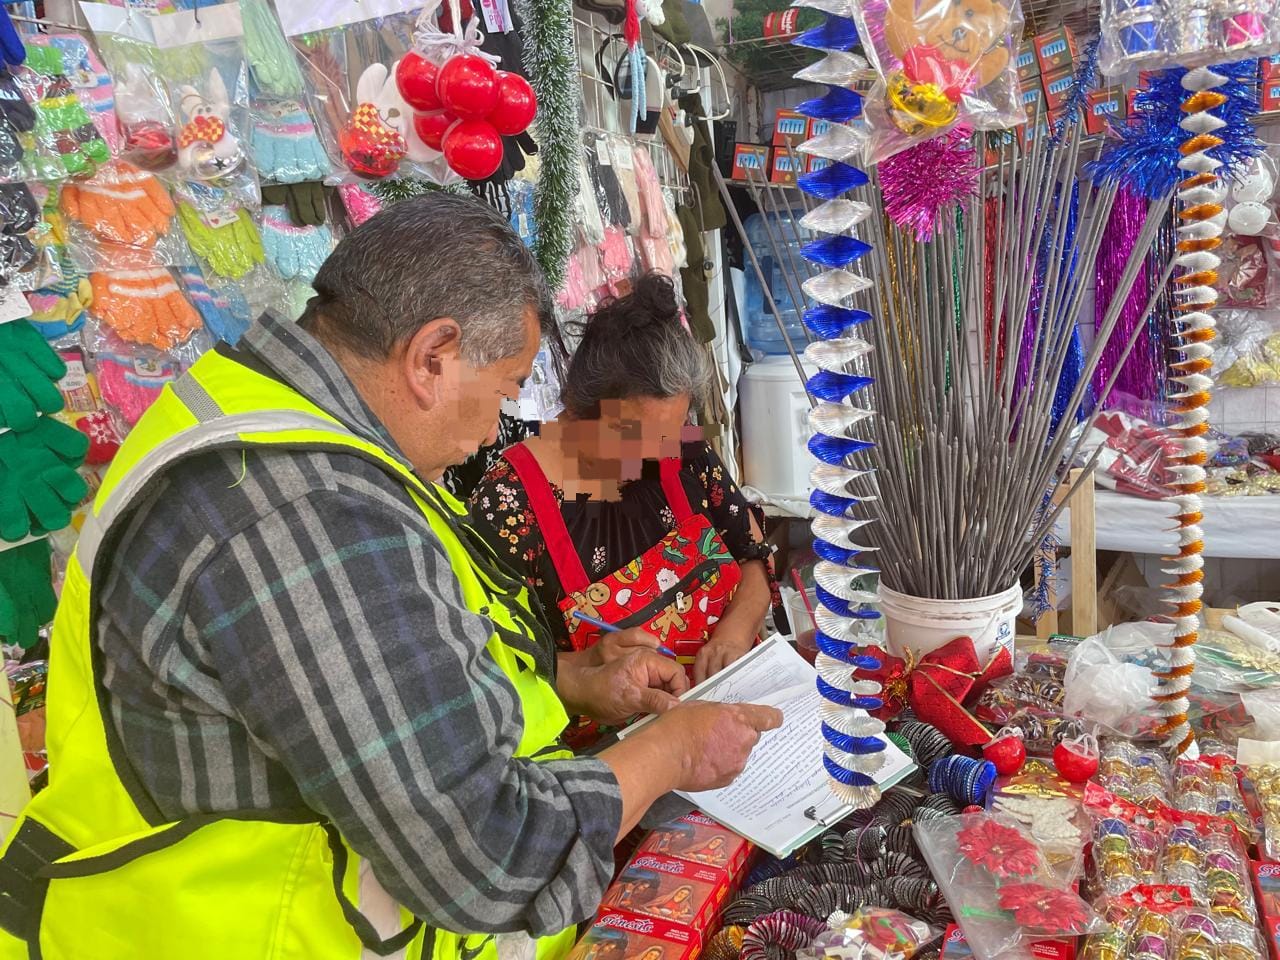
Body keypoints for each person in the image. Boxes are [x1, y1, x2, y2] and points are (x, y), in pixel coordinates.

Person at [0, 195, 782, 960]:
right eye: (507, 388)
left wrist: (568, 675)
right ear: (431, 356)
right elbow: (485, 851)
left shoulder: (277, 425)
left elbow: (383, 673)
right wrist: (673, 752)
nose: (495, 426)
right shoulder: (306, 507)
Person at [470, 274, 775, 746]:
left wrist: (736, 631)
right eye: (634, 437)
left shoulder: (680, 451)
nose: (656, 456)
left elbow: (752, 557)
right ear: (580, 408)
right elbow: (502, 674)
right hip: (616, 761)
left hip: (735, 719)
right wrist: (586, 672)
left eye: (669, 435)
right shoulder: (510, 505)